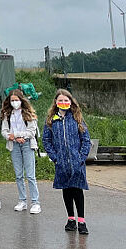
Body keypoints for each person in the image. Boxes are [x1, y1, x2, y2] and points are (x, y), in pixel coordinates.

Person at [42, 89, 91, 235]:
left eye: (66, 100)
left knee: (77, 190)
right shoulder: (51, 120)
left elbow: (86, 140)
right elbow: (46, 140)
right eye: (60, 100)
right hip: (61, 163)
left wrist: (81, 157)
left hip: (77, 163)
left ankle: (81, 221)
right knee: (67, 190)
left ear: (71, 102)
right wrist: (55, 157)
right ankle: (71, 219)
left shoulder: (77, 118)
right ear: (56, 103)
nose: (63, 103)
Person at [0, 89, 41, 214]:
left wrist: (17, 135)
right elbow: (4, 131)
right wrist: (11, 137)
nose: (14, 102)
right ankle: (22, 200)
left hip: (27, 144)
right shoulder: (7, 114)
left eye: (16, 100)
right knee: (18, 175)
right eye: (12, 100)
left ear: (21, 100)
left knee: (30, 175)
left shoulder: (29, 114)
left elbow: (31, 132)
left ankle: (35, 202)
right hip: (14, 145)